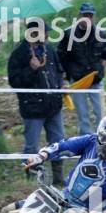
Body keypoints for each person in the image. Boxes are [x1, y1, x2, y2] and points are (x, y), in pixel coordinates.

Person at [8, 19, 66, 186]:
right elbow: (15, 82)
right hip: (32, 108)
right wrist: (30, 69)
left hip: (53, 106)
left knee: (58, 141)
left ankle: (58, 176)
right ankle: (32, 178)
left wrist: (60, 84)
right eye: (44, 32)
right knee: (31, 145)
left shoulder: (47, 48)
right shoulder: (18, 55)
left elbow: (58, 69)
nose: (47, 35)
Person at [57, 3, 106, 135]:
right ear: (79, 16)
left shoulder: (100, 32)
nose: (87, 18)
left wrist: (101, 67)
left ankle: (103, 137)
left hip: (96, 80)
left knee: (101, 112)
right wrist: (68, 73)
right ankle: (85, 140)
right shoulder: (68, 34)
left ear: (93, 16)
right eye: (85, 15)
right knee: (83, 115)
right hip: (78, 82)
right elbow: (60, 56)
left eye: (90, 15)